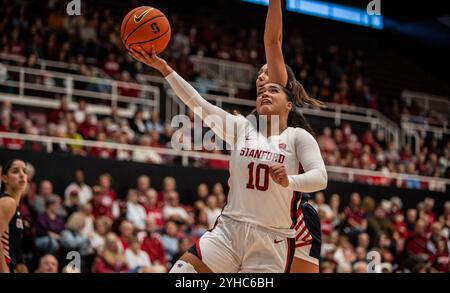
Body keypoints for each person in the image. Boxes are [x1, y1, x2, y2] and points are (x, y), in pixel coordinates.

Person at [127, 11, 327, 273]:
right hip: (229, 230)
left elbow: (321, 177)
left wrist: (289, 181)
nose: (264, 86)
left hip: (275, 233)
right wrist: (165, 69)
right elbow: (197, 103)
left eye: (272, 86)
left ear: (289, 101)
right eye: (261, 88)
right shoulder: (242, 126)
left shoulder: (297, 135)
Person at [0, 159, 29, 273]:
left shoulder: (15, 206)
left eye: (24, 171)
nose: (22, 174)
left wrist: (21, 266)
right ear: (4, 178)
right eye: (16, 171)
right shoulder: (7, 202)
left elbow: (13, 247)